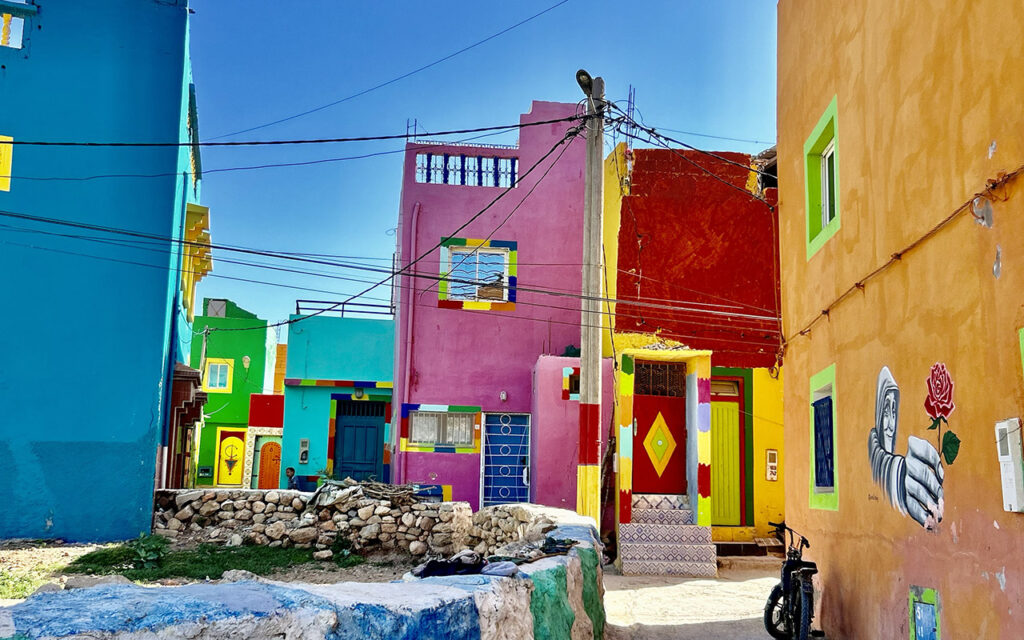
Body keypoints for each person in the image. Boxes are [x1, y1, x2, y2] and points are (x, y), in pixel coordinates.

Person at [868, 366, 944, 530]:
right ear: (878, 413)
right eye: (886, 412)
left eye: (894, 412)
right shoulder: (873, 458)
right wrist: (901, 472)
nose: (890, 425)